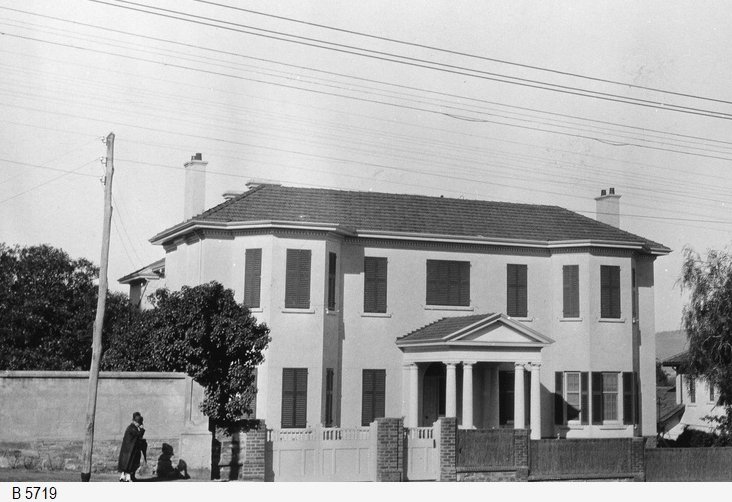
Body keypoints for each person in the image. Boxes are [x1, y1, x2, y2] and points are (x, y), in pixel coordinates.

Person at [118, 412, 147, 482]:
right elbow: (138, 435)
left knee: (127, 464)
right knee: (129, 464)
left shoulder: (131, 427)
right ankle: (127, 478)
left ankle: (123, 477)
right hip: (129, 451)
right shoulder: (132, 428)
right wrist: (142, 430)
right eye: (138, 423)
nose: (139, 424)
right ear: (134, 421)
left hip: (128, 450)